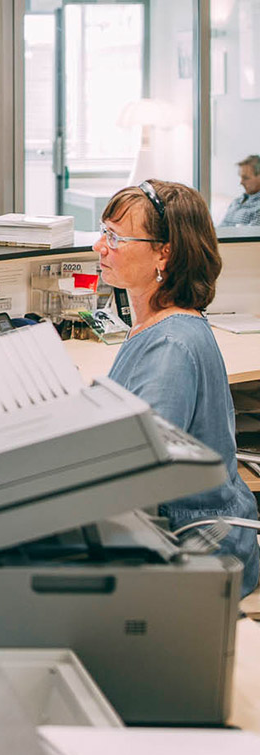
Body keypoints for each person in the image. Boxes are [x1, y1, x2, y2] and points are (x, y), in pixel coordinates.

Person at [94, 179, 259, 597]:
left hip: (195, 551)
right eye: (102, 231)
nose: (100, 247)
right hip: (189, 532)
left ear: (163, 252)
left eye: (115, 236)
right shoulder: (160, 325)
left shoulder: (170, 344)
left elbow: (138, 472)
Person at [220, 154, 260, 226]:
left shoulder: (258, 206)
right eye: (241, 177)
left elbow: (250, 236)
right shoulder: (236, 202)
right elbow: (221, 229)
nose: (241, 182)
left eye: (246, 178)